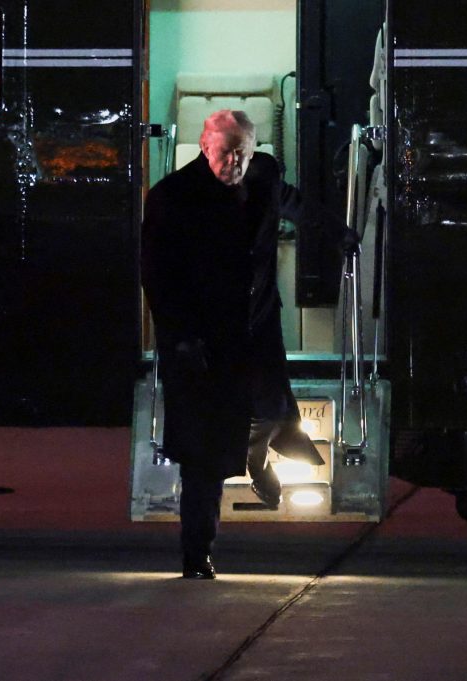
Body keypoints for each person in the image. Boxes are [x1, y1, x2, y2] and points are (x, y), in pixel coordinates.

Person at [141, 110, 324, 579]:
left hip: (255, 329)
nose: (233, 162)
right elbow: (158, 277)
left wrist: (339, 235)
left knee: (273, 410)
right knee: (203, 455)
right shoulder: (172, 197)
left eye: (242, 152)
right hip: (202, 342)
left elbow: (291, 202)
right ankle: (197, 553)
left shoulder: (263, 175)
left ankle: (256, 455)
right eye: (225, 152)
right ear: (205, 147)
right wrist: (181, 339)